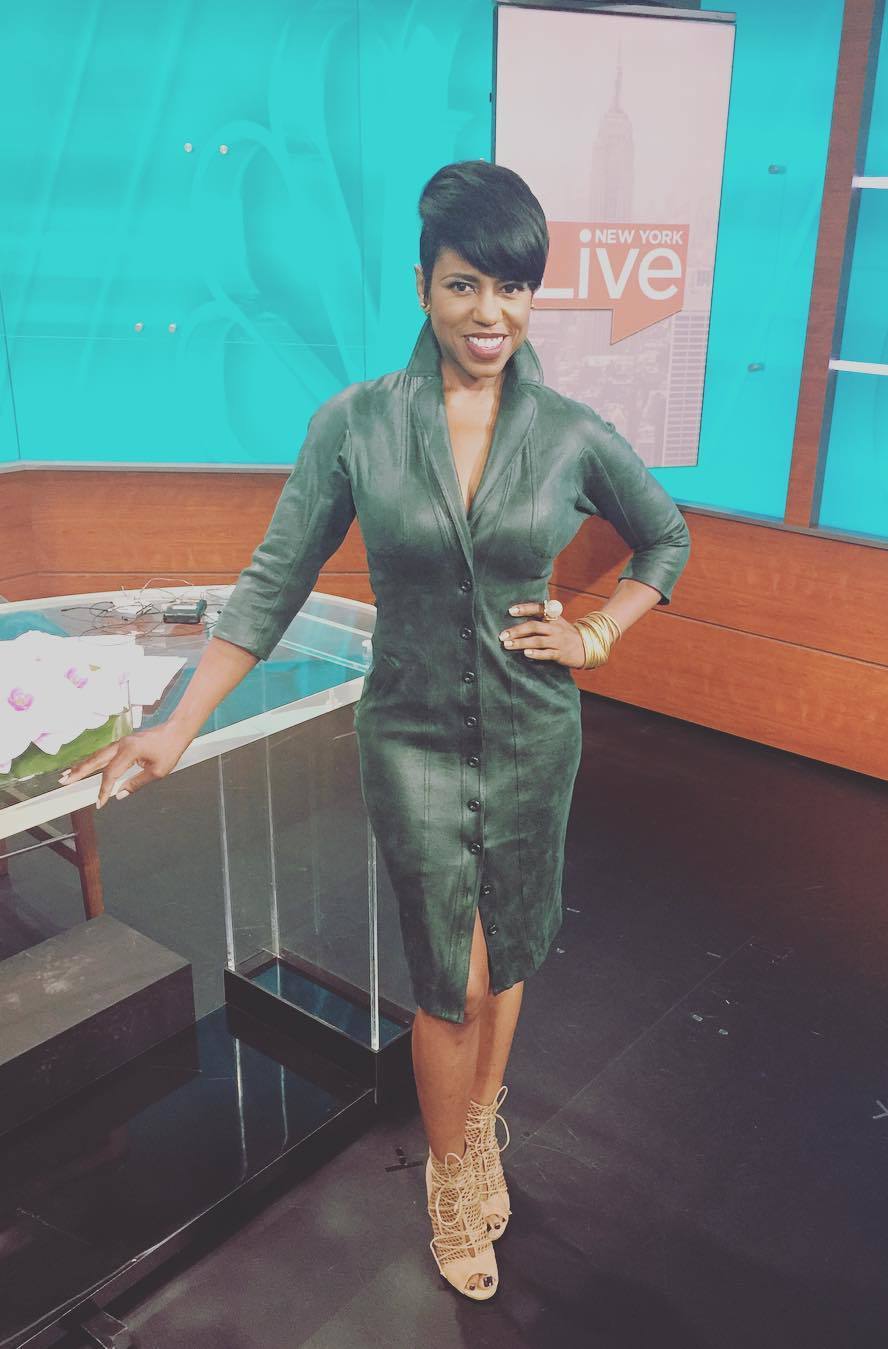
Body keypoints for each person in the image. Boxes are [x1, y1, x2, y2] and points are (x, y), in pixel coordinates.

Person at [61, 161, 690, 1300]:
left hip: (536, 733)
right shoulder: (355, 425)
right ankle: (453, 1176)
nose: (489, 313)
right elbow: (271, 583)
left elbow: (666, 538)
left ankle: (480, 1119)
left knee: (512, 947)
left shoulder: (571, 432)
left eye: (511, 287)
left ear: (533, 295)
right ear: (422, 286)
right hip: (410, 738)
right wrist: (175, 724)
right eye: (464, 284)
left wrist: (597, 631)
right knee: (452, 976)